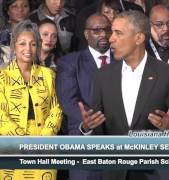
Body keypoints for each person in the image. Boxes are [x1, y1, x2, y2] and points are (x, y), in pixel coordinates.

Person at [79, 10, 169, 180]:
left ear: (139, 38)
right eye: (111, 32)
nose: (110, 38)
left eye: (118, 33)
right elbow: (99, 137)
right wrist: (87, 129)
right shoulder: (102, 76)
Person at [0, 20, 62, 179]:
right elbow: (1, 116)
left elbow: (56, 109)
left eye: (33, 44)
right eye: (22, 44)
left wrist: (43, 139)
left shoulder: (48, 75)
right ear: (14, 46)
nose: (28, 49)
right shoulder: (2, 77)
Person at [56, 13, 112, 180]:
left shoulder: (123, 60)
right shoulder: (70, 62)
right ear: (86, 34)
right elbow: (68, 102)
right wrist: (93, 121)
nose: (103, 34)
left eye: (107, 29)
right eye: (97, 30)